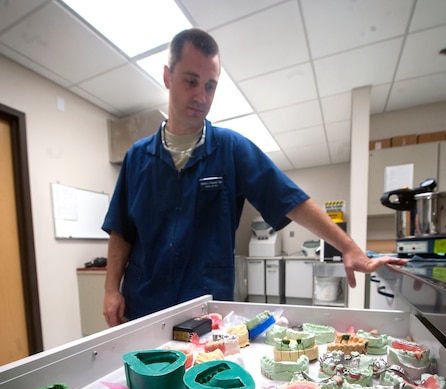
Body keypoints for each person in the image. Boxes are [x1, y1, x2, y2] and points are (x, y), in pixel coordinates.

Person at [102, 28, 405, 327]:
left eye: (210, 86)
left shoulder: (231, 149)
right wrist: (111, 289)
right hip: (143, 308)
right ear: (168, 77)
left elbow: (290, 199)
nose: (201, 96)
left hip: (205, 313)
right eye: (191, 81)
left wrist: (348, 247)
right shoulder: (137, 158)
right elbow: (121, 231)